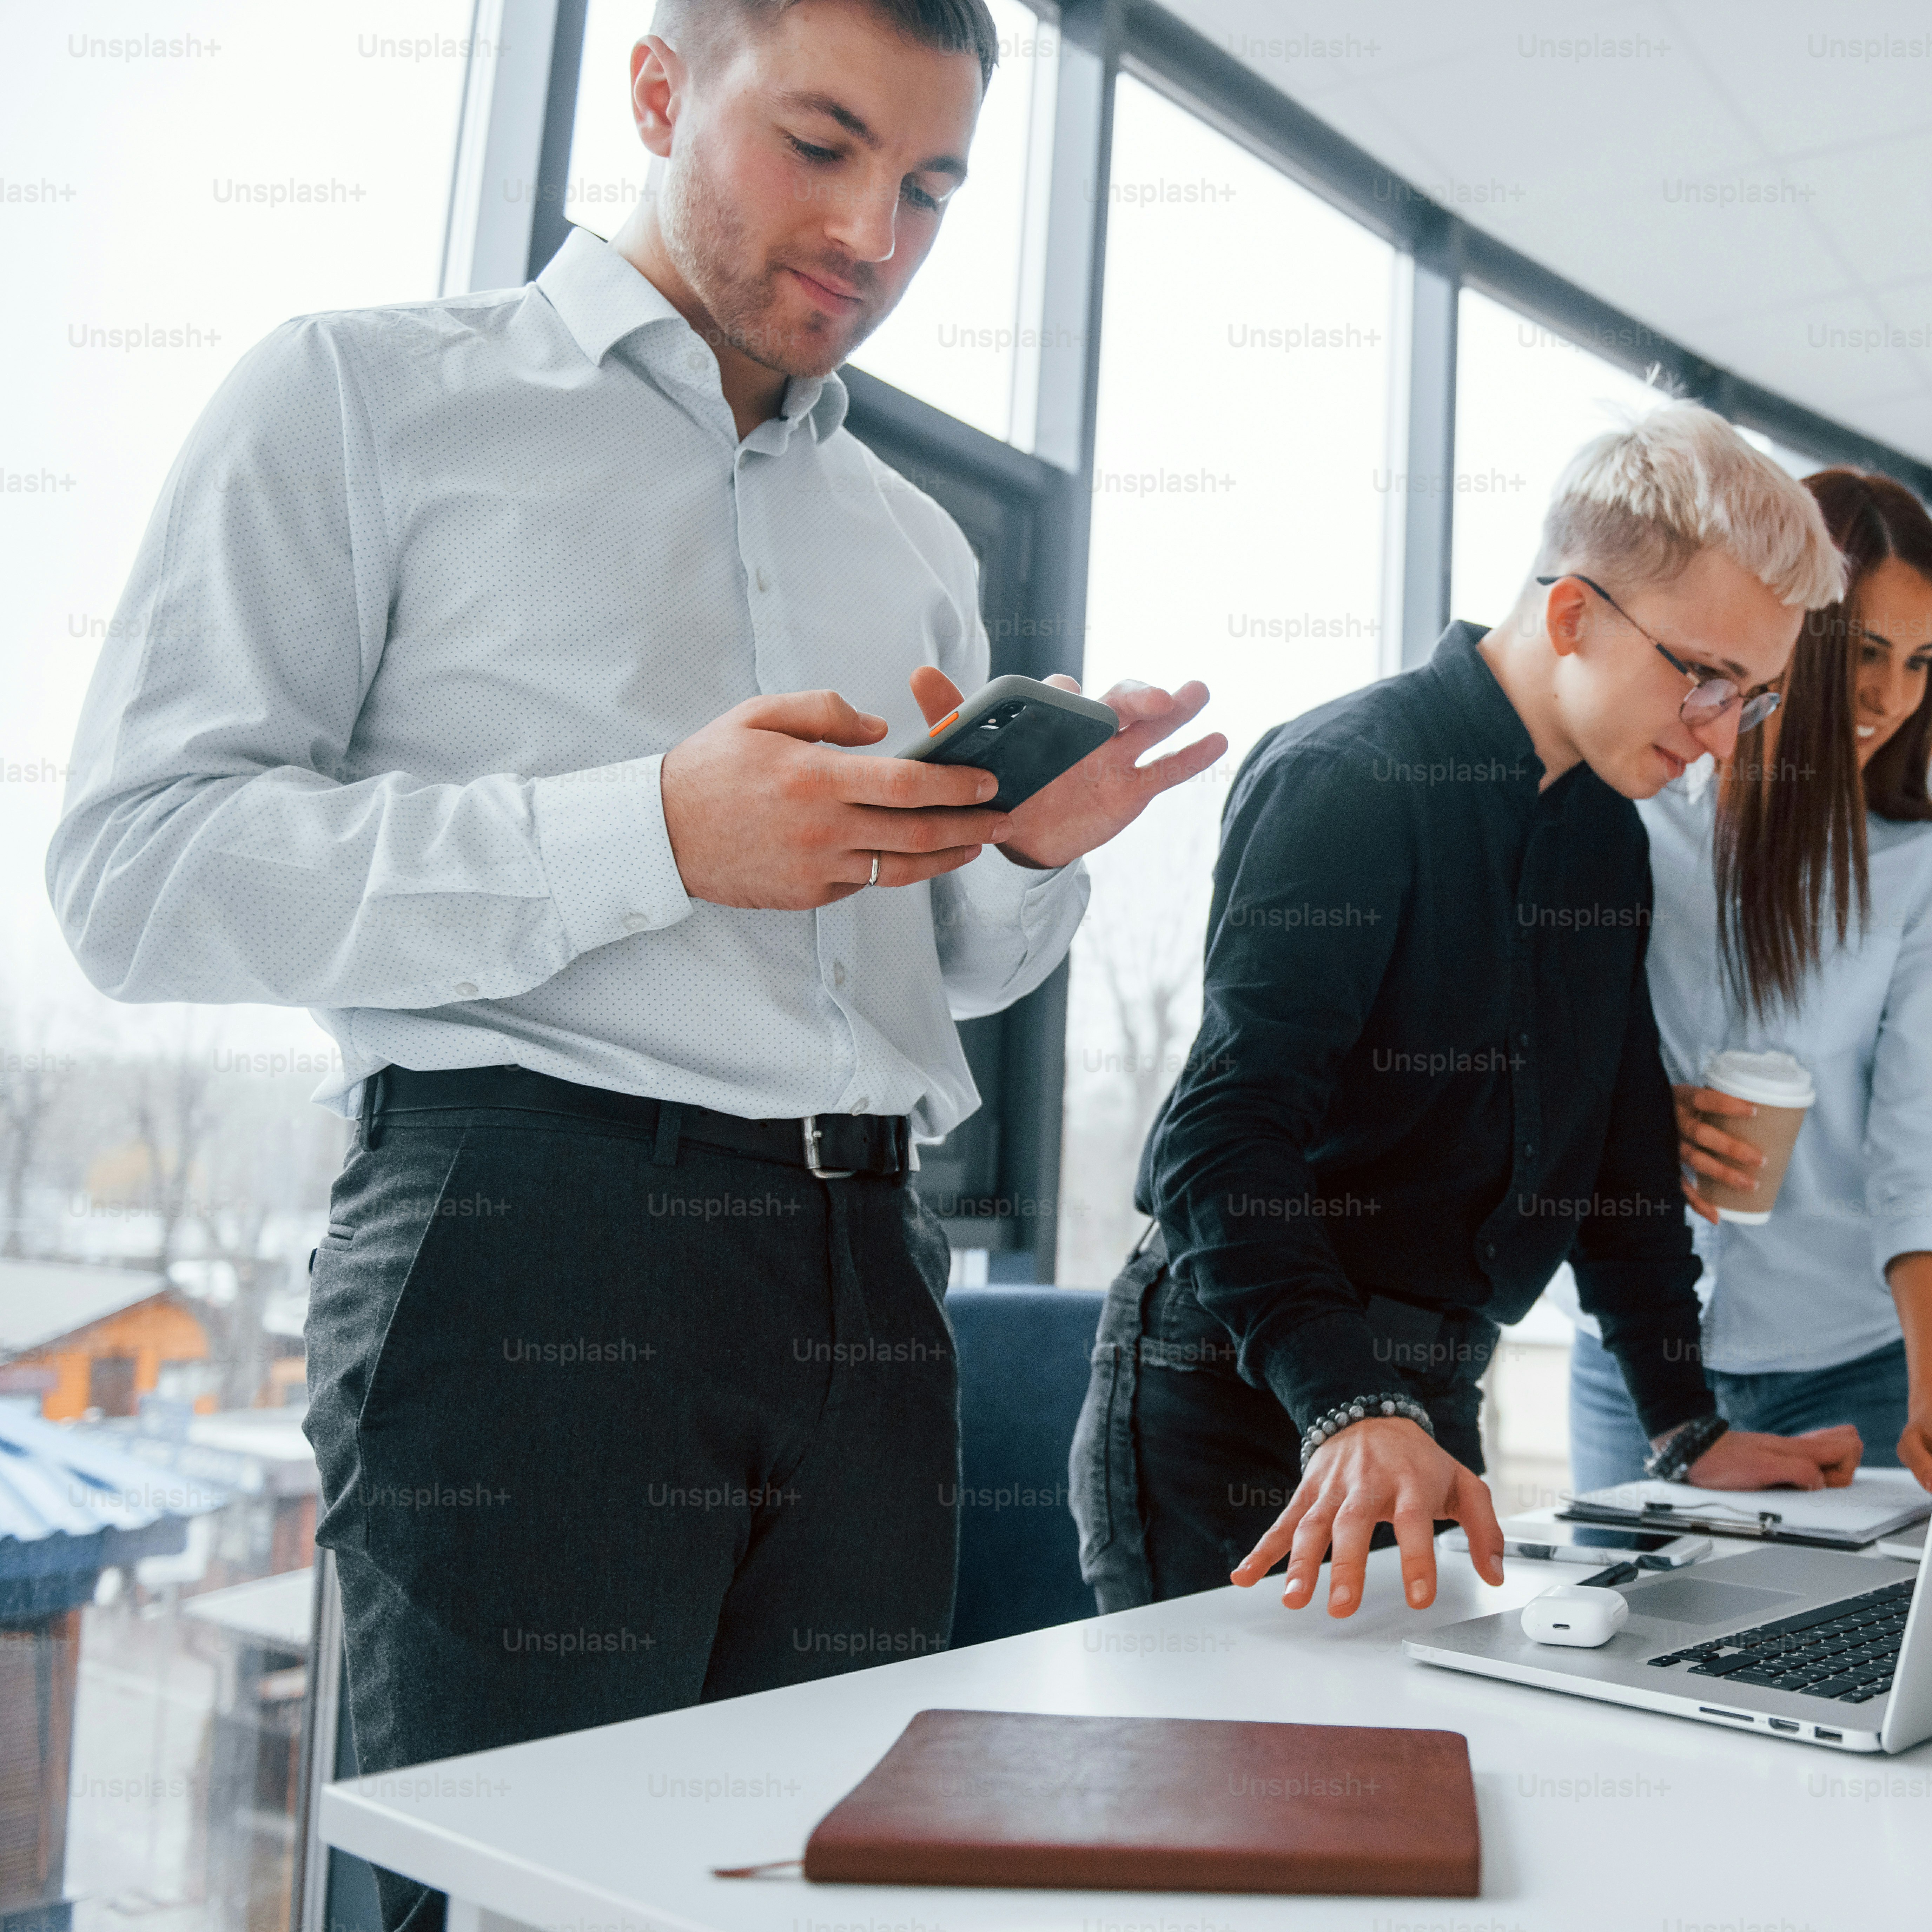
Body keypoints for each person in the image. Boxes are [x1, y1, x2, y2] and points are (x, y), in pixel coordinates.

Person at [47, 5, 1217, 1929]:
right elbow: (137, 871)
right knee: (510, 1899)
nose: (876, 233)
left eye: (928, 187)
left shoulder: (912, 539)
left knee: (800, 1889)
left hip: (868, 1281)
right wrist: (655, 832)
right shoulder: (361, 399)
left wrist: (1021, 858)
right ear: (661, 91)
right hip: (534, 1254)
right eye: (821, 144)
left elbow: (944, 978)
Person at [1072, 404, 1866, 1620]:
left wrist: (1684, 1424)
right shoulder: (1352, 776)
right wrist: (1347, 1399)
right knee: (1233, 1790)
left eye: (1746, 699)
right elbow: (1220, 1140)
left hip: (1427, 1391)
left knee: (1411, 1772)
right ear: (1573, 614)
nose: (1719, 738)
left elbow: (1618, 1146)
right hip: (1244, 1382)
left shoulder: (1606, 836)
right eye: (1705, 678)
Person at [1561, 469, 1932, 1496]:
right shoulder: (1634, 819)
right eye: (1864, 652)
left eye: (1922, 662)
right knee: (1617, 1652)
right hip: (1631, 1368)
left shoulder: (1923, 874)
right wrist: (1633, 1129)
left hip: (1845, 1371)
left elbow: (1925, 1155)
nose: (1891, 698)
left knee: (1829, 1652)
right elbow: (1543, 1064)